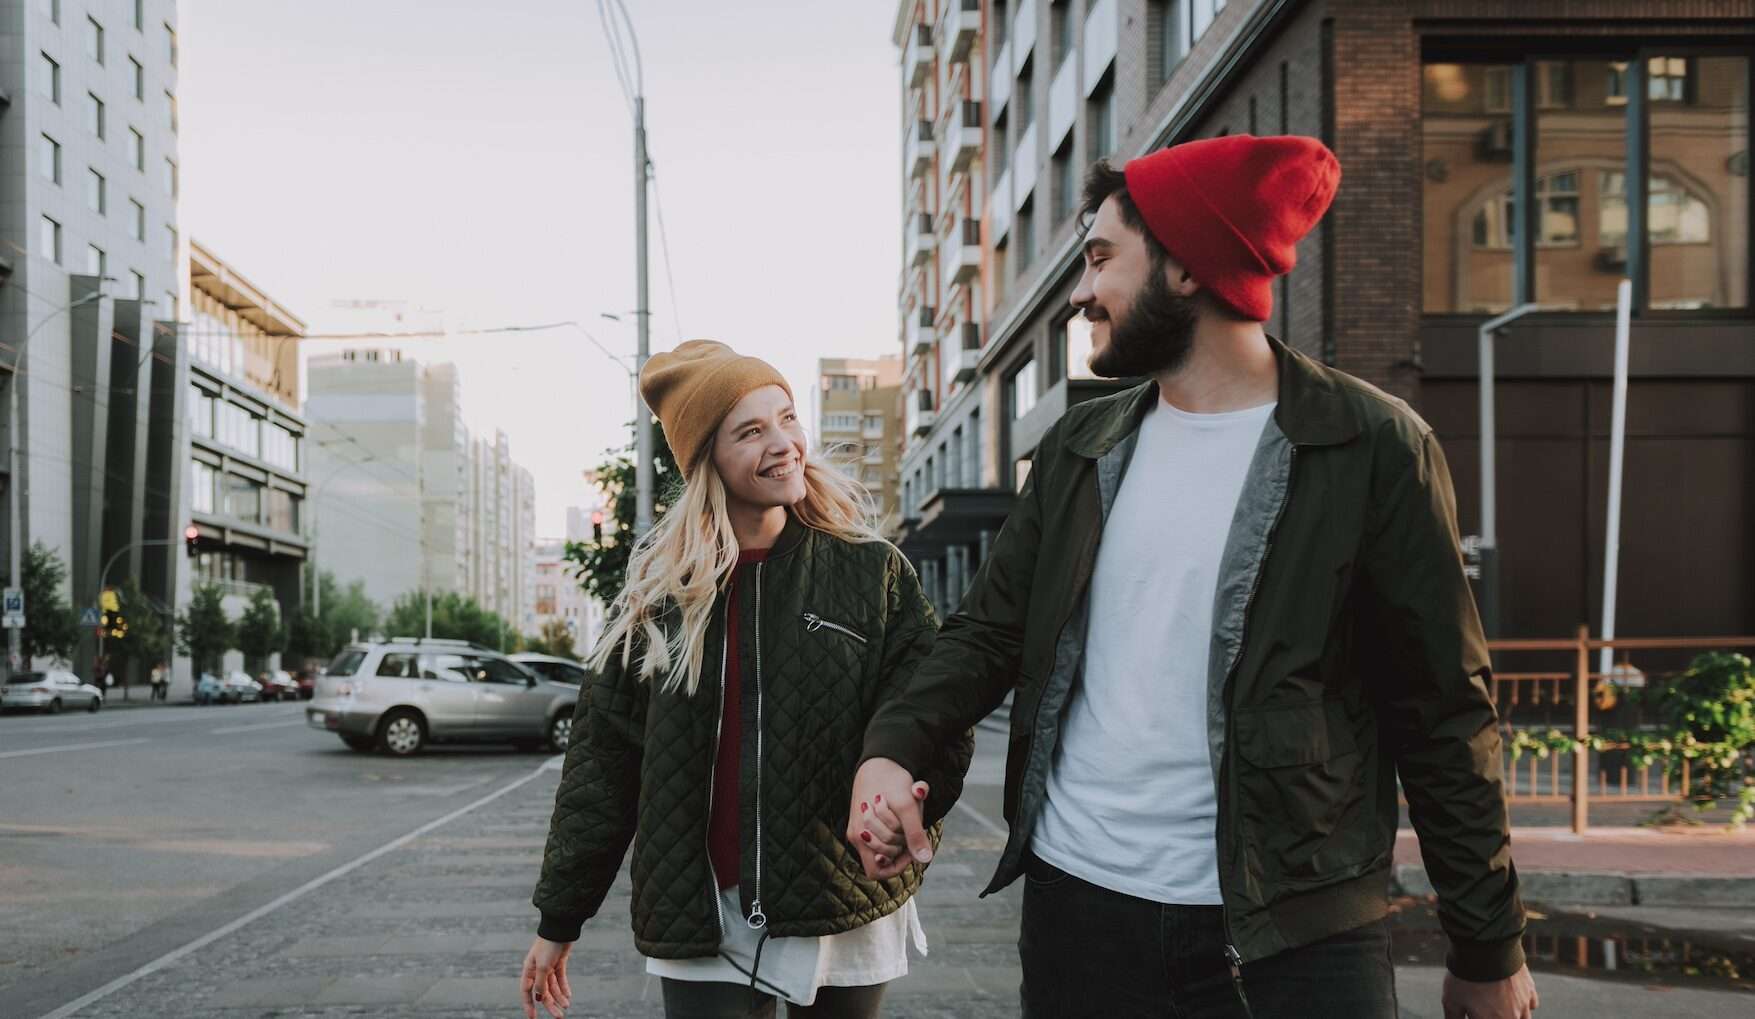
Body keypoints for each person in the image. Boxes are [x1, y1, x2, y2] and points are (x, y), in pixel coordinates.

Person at [848, 136, 1539, 1019]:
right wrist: (891, 749)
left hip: (1298, 930)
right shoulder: (1077, 447)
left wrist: (1486, 944)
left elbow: (1440, 706)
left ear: (1185, 268)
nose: (1079, 292)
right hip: (1080, 916)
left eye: (1100, 259)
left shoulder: (1368, 445)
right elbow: (987, 632)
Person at [522, 340, 972, 1019]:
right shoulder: (656, 599)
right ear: (706, 459)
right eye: (751, 430)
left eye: (787, 418)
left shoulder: (869, 571)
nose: (784, 442)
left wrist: (908, 817)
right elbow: (601, 769)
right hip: (699, 909)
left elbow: (932, 712)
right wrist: (559, 919)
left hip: (838, 896)